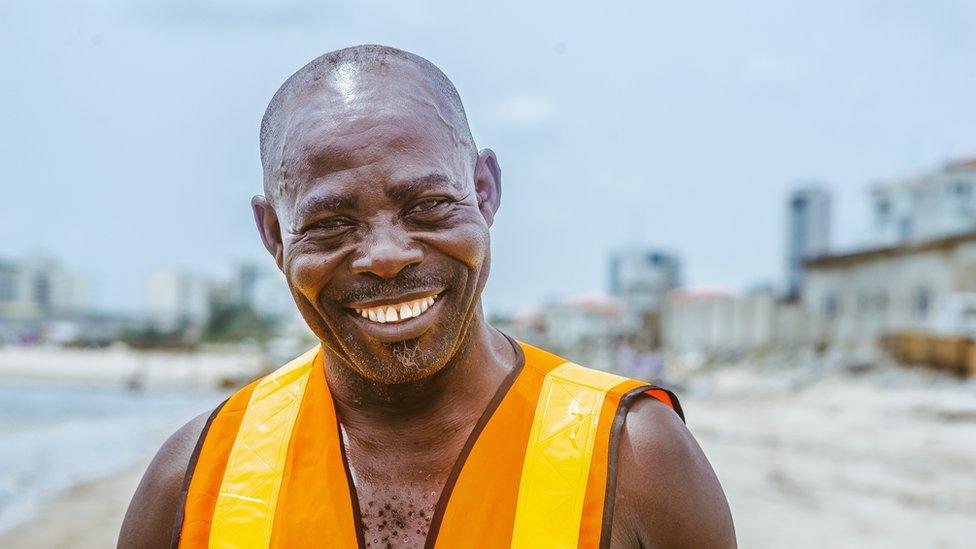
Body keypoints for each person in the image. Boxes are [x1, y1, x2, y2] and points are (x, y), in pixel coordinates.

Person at [119, 45, 735, 548]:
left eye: (428, 206)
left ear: (485, 192)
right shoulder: (196, 482)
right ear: (275, 235)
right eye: (331, 223)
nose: (387, 255)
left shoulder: (633, 459)